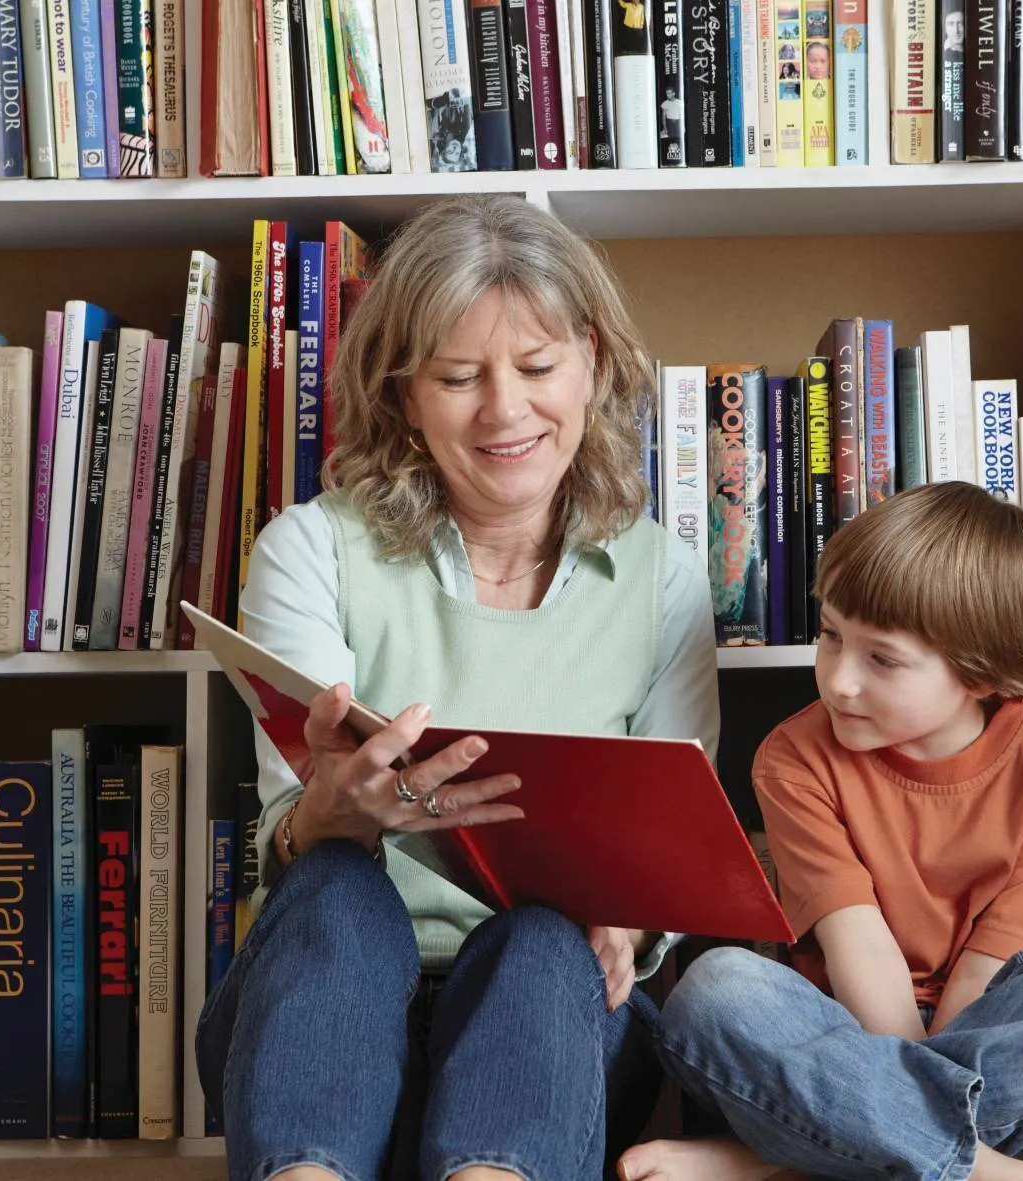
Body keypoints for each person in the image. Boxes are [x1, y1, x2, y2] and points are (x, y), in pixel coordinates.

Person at [194, 193, 721, 1181]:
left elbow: (673, 847)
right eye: (457, 377)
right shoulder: (312, 550)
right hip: (321, 1036)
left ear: (593, 365)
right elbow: (287, 844)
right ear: (401, 393)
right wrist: (328, 812)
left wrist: (631, 914)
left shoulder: (662, 576)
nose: (505, 411)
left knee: (542, 932)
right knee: (337, 883)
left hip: (549, 1043)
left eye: (535, 367)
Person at [621, 483, 1023, 1181]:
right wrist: (893, 1087)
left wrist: (867, 1110)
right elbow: (861, 954)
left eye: (883, 659)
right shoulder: (795, 756)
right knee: (716, 990)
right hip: (845, 1026)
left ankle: (787, 1159)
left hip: (992, 1024)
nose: (839, 679)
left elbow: (985, 974)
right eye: (830, 634)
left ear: (982, 672)